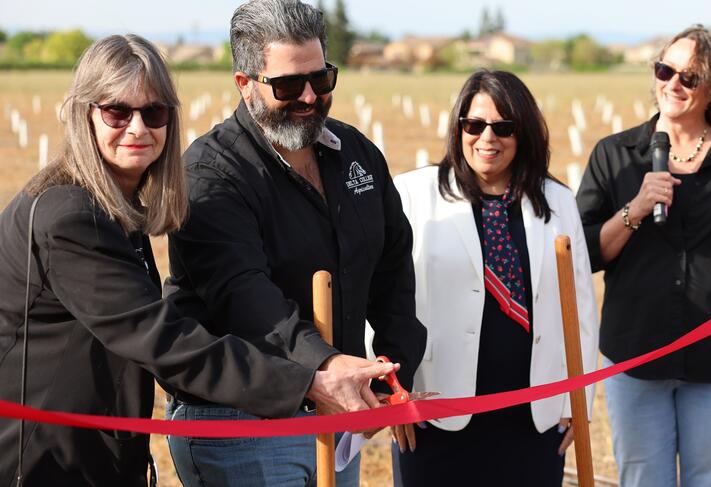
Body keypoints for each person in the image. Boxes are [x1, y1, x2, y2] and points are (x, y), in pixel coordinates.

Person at [0, 34, 397, 487]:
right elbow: (164, 341)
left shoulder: (113, 207)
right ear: (83, 115)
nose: (137, 127)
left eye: (154, 112)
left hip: (82, 458)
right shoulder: (70, 216)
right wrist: (309, 381)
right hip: (38, 463)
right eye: (116, 111)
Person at [161, 1, 426, 486]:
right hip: (243, 423)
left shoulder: (357, 155)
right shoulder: (210, 175)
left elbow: (393, 263)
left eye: (321, 79)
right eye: (287, 85)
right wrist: (326, 365)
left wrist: (392, 365)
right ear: (245, 84)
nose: (309, 96)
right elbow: (246, 296)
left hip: (337, 420)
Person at [576, 25, 711, 487]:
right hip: (634, 357)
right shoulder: (614, 156)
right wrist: (633, 210)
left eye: (689, 77)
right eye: (664, 70)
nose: (672, 83)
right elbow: (583, 253)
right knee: (642, 480)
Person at [391, 69, 598, 486]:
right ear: (459, 127)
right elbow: (385, 299)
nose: (488, 138)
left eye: (504, 127)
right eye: (474, 124)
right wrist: (391, 393)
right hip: (434, 414)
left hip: (533, 416)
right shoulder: (413, 194)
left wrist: (580, 402)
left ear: (524, 134)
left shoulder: (558, 202)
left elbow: (581, 307)